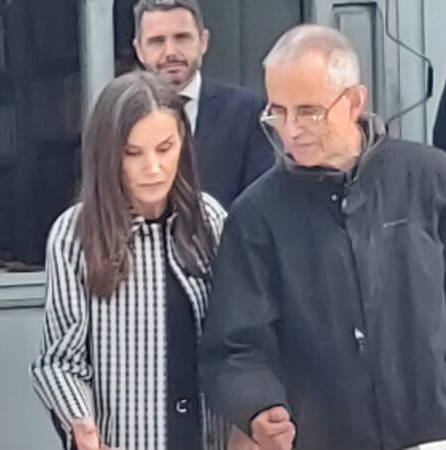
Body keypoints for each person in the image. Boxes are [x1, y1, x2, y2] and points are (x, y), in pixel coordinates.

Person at [200, 24, 446, 450]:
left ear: (354, 102)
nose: (291, 129)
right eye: (278, 112)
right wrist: (258, 406)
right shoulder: (256, 215)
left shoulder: (430, 180)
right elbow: (236, 343)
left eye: (308, 111)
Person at [30, 71, 252, 450]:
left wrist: (245, 421)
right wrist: (82, 425)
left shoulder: (210, 222)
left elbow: (239, 339)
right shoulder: (76, 234)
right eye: (133, 153)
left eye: (165, 148)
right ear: (108, 155)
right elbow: (60, 359)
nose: (153, 168)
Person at [132, 0, 274, 208]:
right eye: (157, 41)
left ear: (203, 41)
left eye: (181, 38)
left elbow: (261, 203)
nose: (170, 51)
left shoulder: (246, 113)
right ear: (139, 50)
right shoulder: (120, 118)